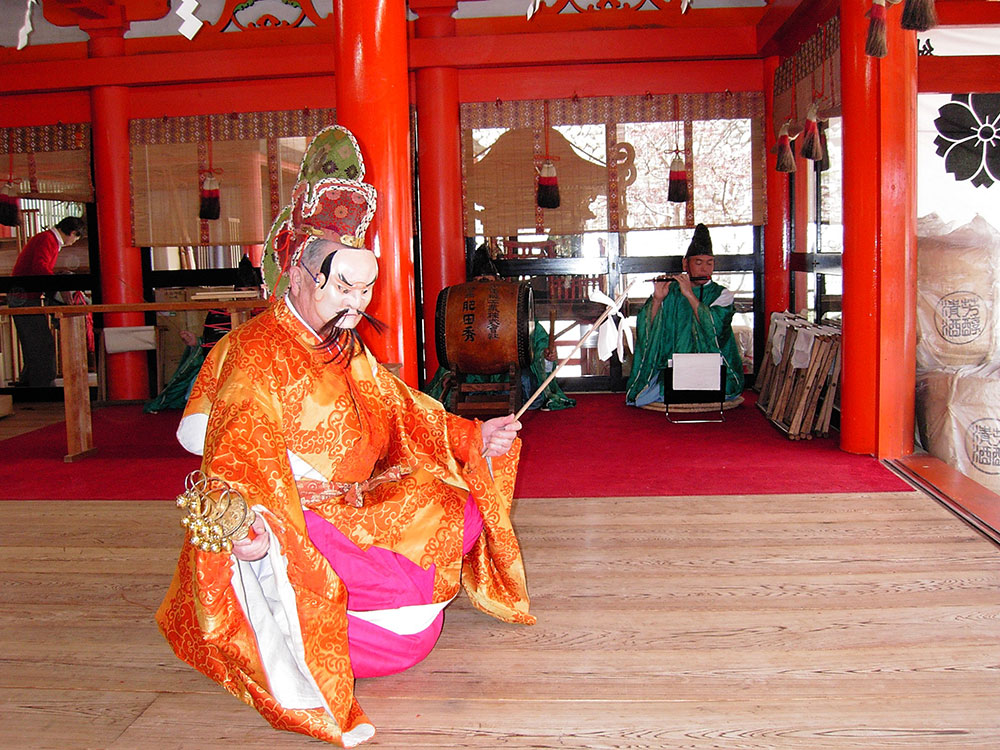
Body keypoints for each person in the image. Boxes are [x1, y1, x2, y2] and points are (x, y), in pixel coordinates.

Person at [156, 125, 533, 748]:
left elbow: (404, 407)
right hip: (289, 512)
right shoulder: (251, 354)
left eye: (364, 291)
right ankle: (312, 626)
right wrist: (248, 524)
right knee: (351, 580)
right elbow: (221, 447)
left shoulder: (342, 344)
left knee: (456, 503)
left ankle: (388, 617)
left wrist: (472, 436)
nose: (356, 306)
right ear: (299, 274)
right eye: (343, 289)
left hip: (359, 496)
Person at [424, 243, 576, 412]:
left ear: (497, 283)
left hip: (509, 372)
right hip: (474, 373)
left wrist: (547, 356)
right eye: (476, 283)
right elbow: (451, 347)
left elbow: (538, 341)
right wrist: (447, 374)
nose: (482, 287)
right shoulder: (462, 310)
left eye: (488, 282)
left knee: (529, 385)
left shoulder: (513, 306)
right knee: (456, 383)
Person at [625, 223, 744, 407]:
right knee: (649, 392)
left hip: (712, 368)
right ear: (685, 263)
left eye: (709, 263)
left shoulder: (722, 294)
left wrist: (689, 294)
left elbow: (716, 327)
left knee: (723, 387)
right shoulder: (670, 290)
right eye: (698, 263)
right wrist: (657, 299)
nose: (705, 269)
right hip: (673, 366)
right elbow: (645, 326)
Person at [144, 256, 261, 413]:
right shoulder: (220, 313)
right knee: (197, 389)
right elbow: (212, 347)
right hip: (224, 368)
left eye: (250, 291)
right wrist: (196, 343)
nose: (245, 296)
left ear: (260, 291)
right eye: (240, 291)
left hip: (260, 367)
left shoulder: (267, 312)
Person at [8, 216, 85, 386]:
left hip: (23, 295)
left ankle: (29, 382)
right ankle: (40, 385)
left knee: (33, 341)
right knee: (41, 342)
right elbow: (39, 269)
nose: (73, 242)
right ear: (72, 233)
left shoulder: (47, 239)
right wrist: (58, 286)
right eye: (76, 238)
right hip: (24, 296)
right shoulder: (48, 240)